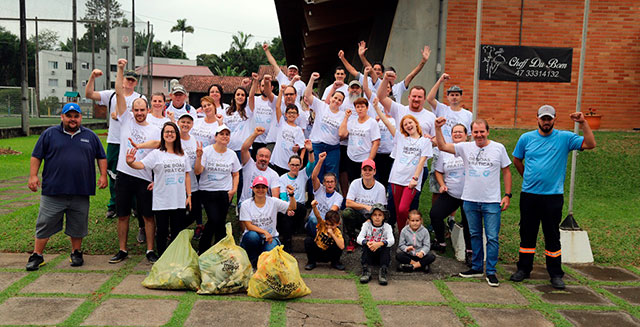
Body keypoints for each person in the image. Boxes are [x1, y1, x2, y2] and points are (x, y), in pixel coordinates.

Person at [509, 105, 596, 290]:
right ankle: (523, 269)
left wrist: (583, 123)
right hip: (529, 196)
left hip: (553, 197)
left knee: (552, 236)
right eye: (543, 118)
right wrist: (527, 177)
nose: (546, 122)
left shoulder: (565, 138)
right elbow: (517, 160)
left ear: (554, 119)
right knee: (527, 234)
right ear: (537, 118)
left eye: (549, 119)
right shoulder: (526, 138)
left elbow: (590, 144)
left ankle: (556, 274)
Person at [25, 103, 107, 271]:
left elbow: (101, 156)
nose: (72, 119)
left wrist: (103, 175)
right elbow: (36, 156)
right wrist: (33, 175)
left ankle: (76, 252)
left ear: (80, 118)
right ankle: (37, 255)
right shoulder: (49, 134)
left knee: (78, 225)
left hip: (81, 190)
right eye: (69, 116)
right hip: (53, 191)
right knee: (45, 223)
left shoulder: (90, 136)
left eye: (76, 116)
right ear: (62, 117)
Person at [435, 117, 512, 287]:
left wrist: (507, 195)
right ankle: (477, 267)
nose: (479, 135)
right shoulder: (465, 147)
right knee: (475, 235)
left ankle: (491, 272)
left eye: (482, 131)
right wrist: (438, 128)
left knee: (492, 237)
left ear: (487, 131)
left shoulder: (498, 148)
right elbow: (442, 146)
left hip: (491, 201)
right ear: (472, 133)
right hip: (470, 199)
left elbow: (506, 171)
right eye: (475, 132)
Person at [109, 58, 160, 264]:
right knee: (122, 215)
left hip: (144, 177)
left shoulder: (154, 128)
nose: (139, 113)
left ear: (148, 110)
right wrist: (120, 69)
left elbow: (158, 147)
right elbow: (119, 92)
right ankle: (122, 249)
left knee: (147, 216)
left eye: (142, 110)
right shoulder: (125, 120)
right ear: (132, 111)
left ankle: (149, 250)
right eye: (136, 110)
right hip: (125, 175)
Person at [85, 67, 145, 219]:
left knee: (133, 172)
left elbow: (143, 116)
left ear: (135, 82)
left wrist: (121, 115)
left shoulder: (140, 98)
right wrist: (92, 77)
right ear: (122, 79)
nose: (129, 82)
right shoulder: (111, 95)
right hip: (114, 140)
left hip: (132, 142)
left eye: (132, 80)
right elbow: (89, 94)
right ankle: (114, 205)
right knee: (113, 173)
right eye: (127, 79)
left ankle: (134, 205)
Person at [125, 122, 191, 255]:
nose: (169, 134)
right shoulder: (156, 154)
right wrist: (130, 162)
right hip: (162, 200)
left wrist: (189, 195)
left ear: (176, 135)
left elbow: (187, 175)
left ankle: (175, 257)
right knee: (162, 231)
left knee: (177, 230)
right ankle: (162, 257)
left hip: (178, 200)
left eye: (172, 131)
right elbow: (140, 165)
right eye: (166, 132)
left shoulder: (182, 154)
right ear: (162, 135)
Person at [377, 71, 436, 211]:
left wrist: (431, 140)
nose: (416, 99)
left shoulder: (430, 116)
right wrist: (385, 79)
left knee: (413, 200)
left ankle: (411, 229)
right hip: (399, 163)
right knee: (392, 197)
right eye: (414, 96)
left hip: (419, 167)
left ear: (423, 99)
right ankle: (391, 225)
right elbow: (380, 97)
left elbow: (437, 141)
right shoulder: (399, 109)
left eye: (420, 97)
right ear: (408, 97)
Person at [373, 99, 432, 232]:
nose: (408, 125)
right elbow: (387, 123)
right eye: (405, 124)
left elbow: (422, 161)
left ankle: (410, 231)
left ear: (416, 124)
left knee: (403, 209)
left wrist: (415, 179)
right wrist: (377, 108)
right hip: (396, 178)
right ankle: (403, 236)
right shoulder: (400, 138)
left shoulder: (425, 141)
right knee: (397, 209)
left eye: (410, 122)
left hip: (411, 181)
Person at [426, 74, 473, 208]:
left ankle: (451, 218)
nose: (454, 97)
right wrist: (440, 80)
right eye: (451, 95)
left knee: (455, 187)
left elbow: (469, 136)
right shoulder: (442, 109)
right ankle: (436, 215)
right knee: (437, 187)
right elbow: (429, 98)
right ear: (447, 97)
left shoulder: (467, 115)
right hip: (440, 152)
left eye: (457, 95)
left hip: (459, 152)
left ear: (461, 97)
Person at [194, 124, 241, 254]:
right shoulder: (207, 151)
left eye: (227, 134)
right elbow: (198, 171)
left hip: (224, 192)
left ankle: (218, 251)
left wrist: (233, 190)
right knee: (214, 219)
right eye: (221, 134)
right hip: (207, 191)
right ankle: (203, 249)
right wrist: (198, 157)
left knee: (220, 223)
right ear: (215, 136)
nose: (224, 136)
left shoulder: (231, 154)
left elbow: (236, 173)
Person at [429, 124, 472, 264]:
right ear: (451, 135)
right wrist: (442, 185)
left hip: (469, 195)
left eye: (460, 132)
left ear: (466, 135)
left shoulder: (471, 149)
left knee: (469, 223)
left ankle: (470, 252)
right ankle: (441, 242)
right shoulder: (445, 151)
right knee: (435, 214)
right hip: (451, 193)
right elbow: (438, 171)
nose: (458, 134)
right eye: (455, 132)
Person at [240, 176, 296, 266]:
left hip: (271, 238)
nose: (260, 190)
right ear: (252, 188)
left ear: (267, 189)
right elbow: (248, 226)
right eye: (257, 187)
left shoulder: (273, 201)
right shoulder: (246, 204)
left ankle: (261, 261)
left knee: (269, 257)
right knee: (252, 236)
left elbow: (292, 207)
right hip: (254, 237)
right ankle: (252, 259)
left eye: (263, 187)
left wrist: (291, 195)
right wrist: (265, 232)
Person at [304, 72, 346, 181]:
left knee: (331, 176)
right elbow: (308, 95)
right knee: (316, 174)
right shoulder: (321, 106)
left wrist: (346, 118)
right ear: (331, 97)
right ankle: (315, 197)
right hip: (317, 146)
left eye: (339, 100)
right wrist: (312, 79)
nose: (336, 101)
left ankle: (331, 197)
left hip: (333, 149)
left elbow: (343, 135)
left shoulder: (343, 115)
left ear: (342, 103)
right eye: (335, 98)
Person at [277, 141, 315, 253]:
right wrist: (287, 209)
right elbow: (283, 197)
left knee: (298, 208)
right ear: (288, 165)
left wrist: (310, 150)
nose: (295, 167)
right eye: (292, 165)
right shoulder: (282, 179)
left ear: (300, 165)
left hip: (300, 209)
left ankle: (290, 238)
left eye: (297, 165)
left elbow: (312, 164)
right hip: (287, 207)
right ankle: (287, 245)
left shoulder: (303, 175)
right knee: (285, 218)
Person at [342, 159, 387, 252]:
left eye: (370, 170)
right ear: (361, 171)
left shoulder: (380, 188)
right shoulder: (355, 183)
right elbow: (348, 203)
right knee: (346, 213)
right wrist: (365, 206)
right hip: (358, 216)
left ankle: (371, 238)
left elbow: (381, 209)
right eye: (365, 169)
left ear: (374, 171)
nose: (367, 172)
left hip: (373, 219)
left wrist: (370, 219)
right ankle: (352, 238)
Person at [338, 97, 381, 185]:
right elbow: (342, 134)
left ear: (367, 108)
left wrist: (370, 160)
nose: (360, 109)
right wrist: (346, 117)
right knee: (353, 182)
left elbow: (376, 142)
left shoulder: (372, 123)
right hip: (351, 158)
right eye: (358, 107)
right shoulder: (352, 122)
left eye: (362, 106)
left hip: (364, 158)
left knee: (365, 183)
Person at [270, 86, 306, 176]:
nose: (291, 115)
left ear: (297, 115)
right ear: (285, 114)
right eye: (289, 112)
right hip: (278, 161)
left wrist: (300, 159)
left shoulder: (298, 130)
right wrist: (281, 92)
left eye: (294, 113)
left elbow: (303, 147)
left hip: (290, 162)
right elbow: (277, 107)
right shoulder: (281, 122)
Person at [239, 127, 281, 203]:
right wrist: (255, 134)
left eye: (266, 157)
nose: (263, 159)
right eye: (261, 156)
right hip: (246, 203)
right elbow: (244, 149)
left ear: (270, 159)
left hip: (264, 206)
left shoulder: (274, 175)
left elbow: (275, 198)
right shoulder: (249, 165)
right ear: (256, 157)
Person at [306, 152, 344, 236]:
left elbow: (332, 211)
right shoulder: (319, 189)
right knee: (313, 219)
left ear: (335, 183)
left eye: (331, 182)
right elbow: (313, 177)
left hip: (327, 222)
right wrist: (320, 161)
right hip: (314, 221)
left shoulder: (338, 197)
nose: (329, 184)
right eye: (327, 182)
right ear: (324, 183)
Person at [357, 205, 394, 285]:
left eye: (380, 215)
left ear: (384, 217)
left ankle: (383, 271)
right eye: (375, 215)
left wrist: (380, 244)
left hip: (381, 253)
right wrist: (367, 243)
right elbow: (359, 238)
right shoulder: (366, 225)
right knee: (365, 245)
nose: (377, 217)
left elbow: (391, 240)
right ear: (371, 216)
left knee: (386, 246)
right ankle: (366, 270)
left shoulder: (387, 227)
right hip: (370, 251)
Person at [304, 201, 345, 271]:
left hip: (329, 254)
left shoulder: (337, 232)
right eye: (327, 224)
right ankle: (311, 262)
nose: (328, 226)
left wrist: (332, 234)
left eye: (332, 225)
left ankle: (335, 262)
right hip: (318, 251)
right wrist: (314, 207)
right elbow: (317, 216)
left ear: (338, 224)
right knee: (308, 240)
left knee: (338, 243)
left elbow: (342, 246)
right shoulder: (322, 224)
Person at [248, 73, 276, 155]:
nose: (264, 88)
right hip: (255, 140)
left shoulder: (276, 101)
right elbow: (250, 96)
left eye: (267, 86)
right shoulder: (255, 100)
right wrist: (255, 81)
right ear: (259, 87)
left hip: (269, 141)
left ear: (272, 88)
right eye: (263, 86)